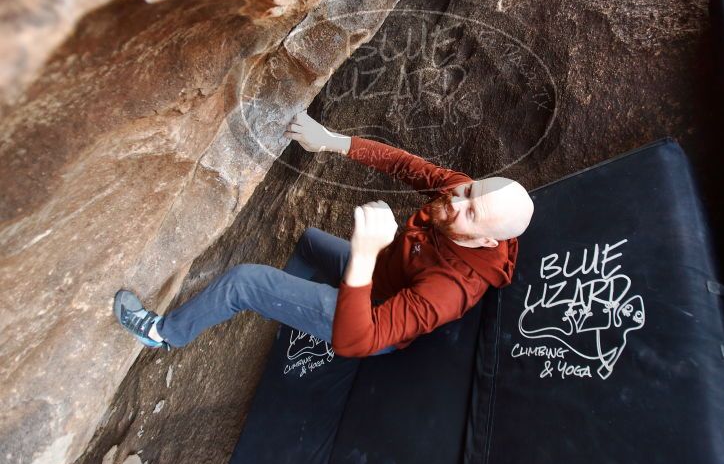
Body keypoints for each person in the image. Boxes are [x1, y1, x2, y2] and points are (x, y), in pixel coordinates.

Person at [113, 111, 534, 357]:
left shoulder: (451, 288)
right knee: (311, 241)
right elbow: (404, 164)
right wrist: (330, 141)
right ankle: (292, 305)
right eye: (468, 190)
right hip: (380, 270)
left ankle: (162, 334)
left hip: (370, 317)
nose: (456, 200)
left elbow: (359, 342)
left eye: (470, 210)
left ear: (485, 241)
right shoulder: (462, 193)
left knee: (245, 281)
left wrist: (366, 255)